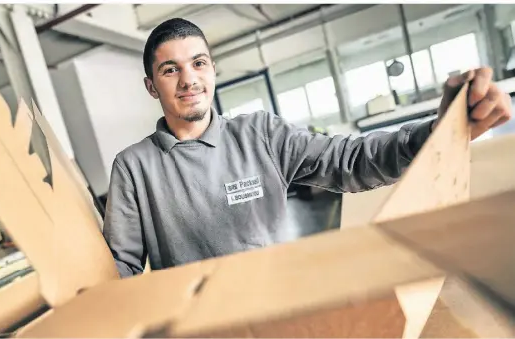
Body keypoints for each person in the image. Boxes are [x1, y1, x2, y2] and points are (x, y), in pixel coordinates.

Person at [103, 18, 512, 277]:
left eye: (198, 63)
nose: (188, 79)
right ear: (151, 86)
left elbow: (352, 161)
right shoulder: (133, 168)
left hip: (283, 314)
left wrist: (442, 130)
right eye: (170, 69)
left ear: (212, 69)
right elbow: (120, 268)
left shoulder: (261, 134)